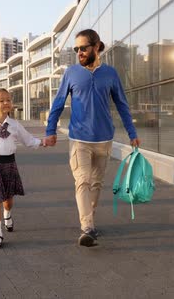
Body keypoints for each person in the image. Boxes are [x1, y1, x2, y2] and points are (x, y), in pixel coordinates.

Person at [45, 29, 140, 247]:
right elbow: (58, 103)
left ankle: (90, 220)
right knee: (83, 181)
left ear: (96, 47)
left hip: (104, 140)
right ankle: (87, 227)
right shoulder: (71, 73)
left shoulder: (110, 74)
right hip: (79, 139)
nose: (79, 52)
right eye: (76, 48)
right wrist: (50, 131)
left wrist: (132, 133)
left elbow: (122, 105)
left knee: (96, 183)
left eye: (83, 48)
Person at [0, 88, 47, 248]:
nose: (6, 103)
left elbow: (28, 140)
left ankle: (8, 214)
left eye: (8, 100)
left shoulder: (14, 125)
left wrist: (44, 142)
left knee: (8, 201)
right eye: (1, 100)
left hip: (9, 165)